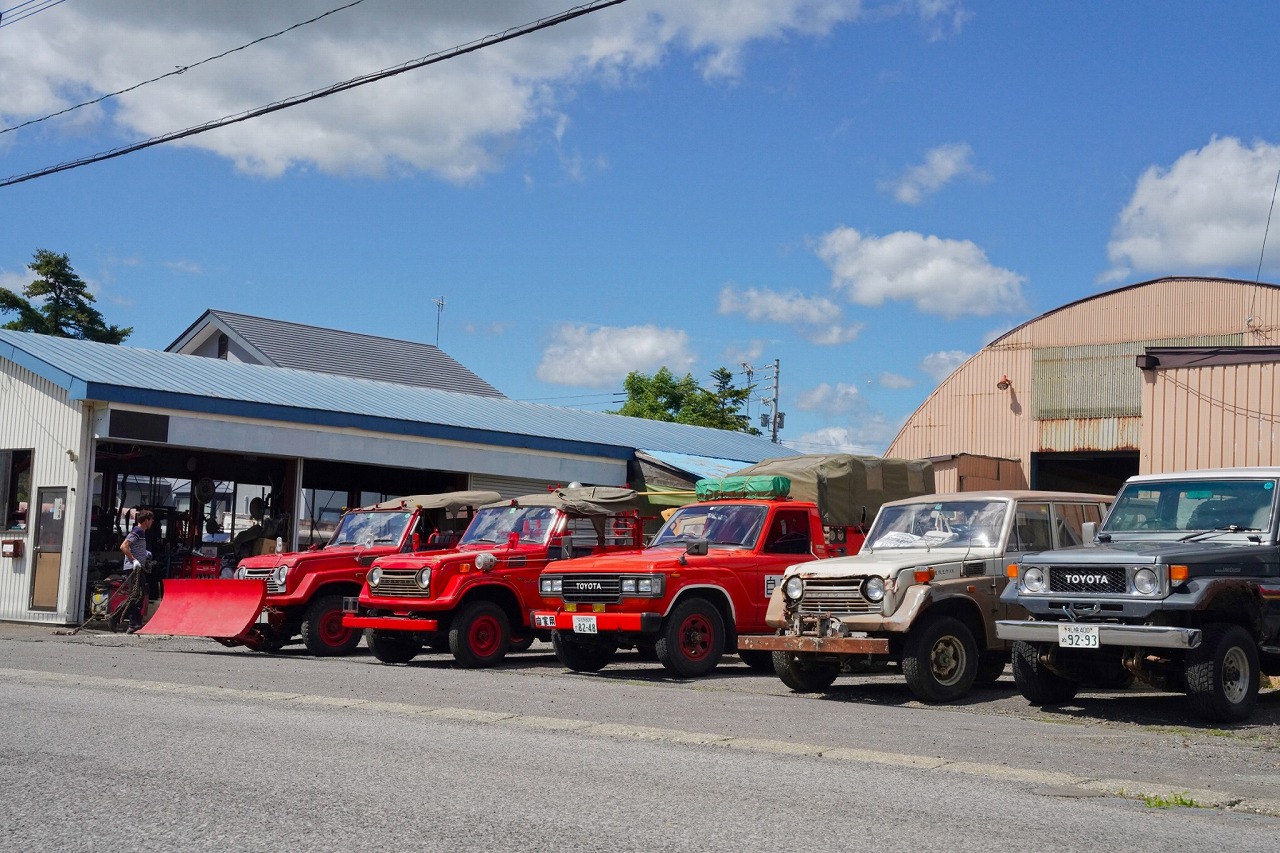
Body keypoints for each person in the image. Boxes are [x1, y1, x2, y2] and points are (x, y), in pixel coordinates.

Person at [119, 509, 154, 633]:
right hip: (133, 568)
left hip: (138, 568)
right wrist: (134, 560)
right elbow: (124, 546)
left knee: (140, 594)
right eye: (151, 519)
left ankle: (136, 623)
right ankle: (128, 622)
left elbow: (135, 547)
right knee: (135, 596)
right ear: (146, 521)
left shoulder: (141, 533)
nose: (152, 522)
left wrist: (144, 554)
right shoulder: (137, 531)